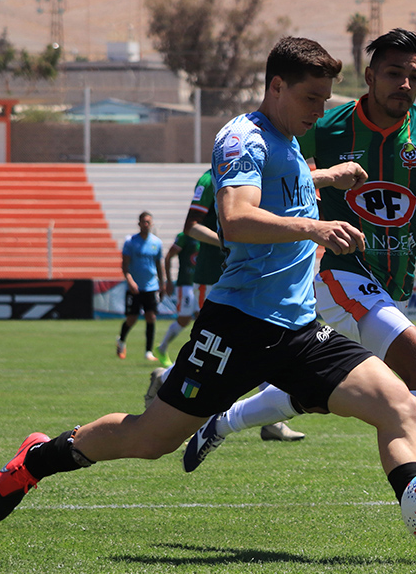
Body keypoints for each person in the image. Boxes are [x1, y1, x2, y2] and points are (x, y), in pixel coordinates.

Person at [0, 36, 416, 574]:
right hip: (235, 327)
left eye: (326, 98)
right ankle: (39, 459)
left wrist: (325, 180)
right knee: (150, 440)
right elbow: (236, 218)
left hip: (299, 328)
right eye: (312, 98)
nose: (320, 111)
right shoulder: (241, 138)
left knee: (399, 407)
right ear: (277, 86)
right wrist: (317, 227)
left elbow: (283, 186)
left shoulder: (289, 141)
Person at [181, 28, 416, 532]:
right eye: (394, 74)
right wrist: (318, 200)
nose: (404, 84)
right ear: (371, 77)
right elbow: (275, 175)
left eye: (413, 77)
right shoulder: (323, 124)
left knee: (310, 394)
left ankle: (222, 421)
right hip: (333, 276)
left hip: (384, 286)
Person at [147, 170, 306, 441]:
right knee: (218, 349)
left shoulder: (258, 177)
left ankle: (271, 421)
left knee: (262, 341)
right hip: (214, 275)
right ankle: (166, 378)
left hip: (253, 272)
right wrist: (226, 240)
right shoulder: (211, 179)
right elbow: (191, 226)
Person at [117, 211, 166, 361]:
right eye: (143, 222)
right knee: (132, 318)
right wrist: (130, 281)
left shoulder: (156, 243)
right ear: (139, 224)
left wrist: (162, 284)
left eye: (148, 222)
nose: (146, 224)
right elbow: (124, 265)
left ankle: (148, 352)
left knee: (151, 317)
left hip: (150, 286)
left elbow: (159, 264)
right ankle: (121, 340)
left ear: (151, 224)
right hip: (135, 287)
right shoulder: (131, 242)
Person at [151, 230, 200, 367]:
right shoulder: (185, 236)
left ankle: (197, 356)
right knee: (184, 320)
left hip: (200, 284)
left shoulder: (211, 232)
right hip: (186, 285)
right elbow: (168, 257)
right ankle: (162, 348)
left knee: (202, 318)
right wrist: (169, 281)